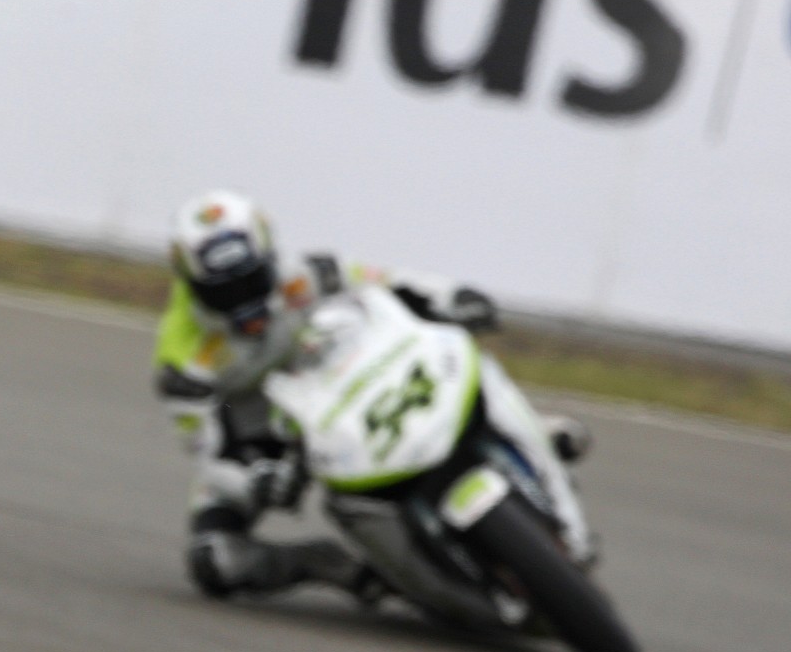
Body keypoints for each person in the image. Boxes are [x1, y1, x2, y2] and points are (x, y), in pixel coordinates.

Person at [154, 189, 588, 600]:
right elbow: (206, 454)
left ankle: (530, 432)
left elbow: (387, 281)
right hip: (264, 436)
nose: (241, 302)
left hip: (340, 386)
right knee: (215, 561)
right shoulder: (181, 363)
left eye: (252, 280)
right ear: (191, 283)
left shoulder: (305, 274)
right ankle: (328, 565)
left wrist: (449, 295)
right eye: (221, 292)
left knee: (459, 354)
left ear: (269, 257)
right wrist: (252, 479)